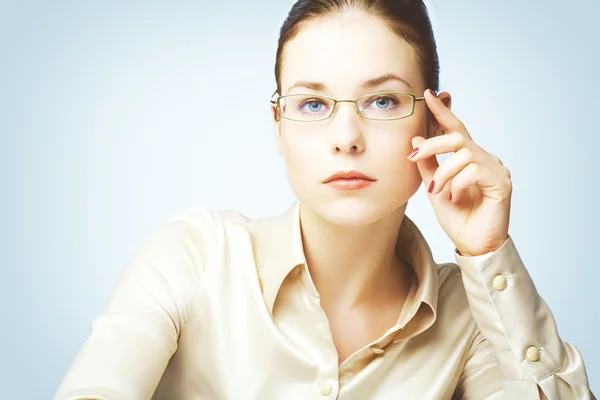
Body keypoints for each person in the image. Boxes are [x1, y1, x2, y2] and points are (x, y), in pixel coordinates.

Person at [54, 1, 594, 399]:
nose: (346, 138)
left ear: (433, 120)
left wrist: (488, 249)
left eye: (382, 100)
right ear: (279, 125)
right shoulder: (195, 257)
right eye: (312, 105)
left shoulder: (474, 317)